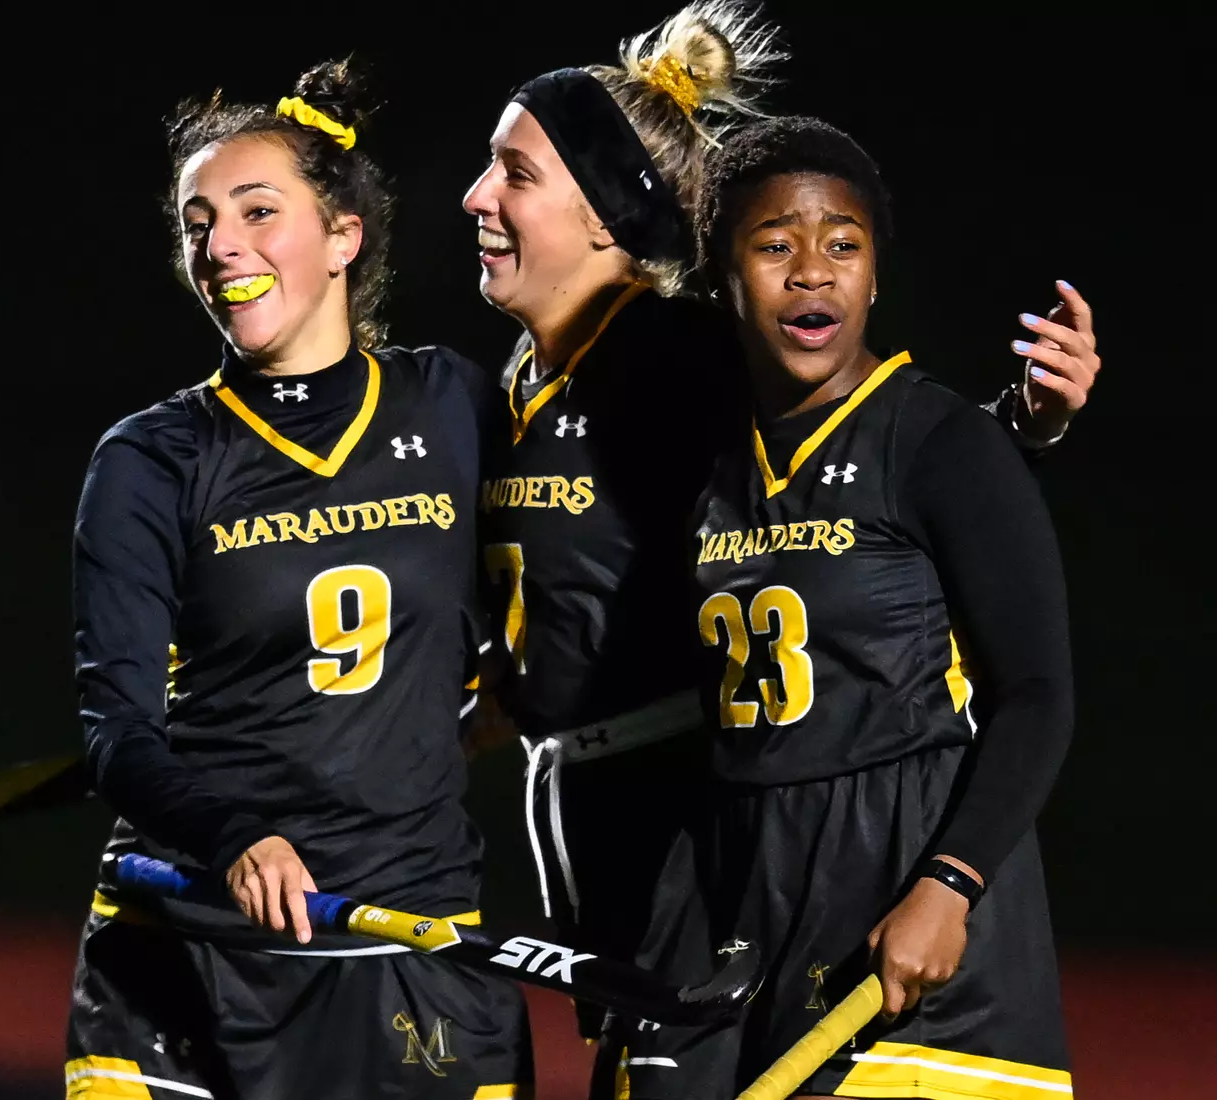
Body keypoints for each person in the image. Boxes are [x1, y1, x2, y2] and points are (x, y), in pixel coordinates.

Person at [459, 3, 1097, 1096]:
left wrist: (1020, 425)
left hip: (741, 823)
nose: (809, 273)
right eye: (774, 248)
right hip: (709, 854)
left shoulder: (675, 362)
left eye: (513, 173)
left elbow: (897, 457)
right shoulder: (523, 388)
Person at [64, 59, 530, 1100]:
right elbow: (119, 735)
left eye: (257, 210)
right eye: (198, 222)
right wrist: (234, 835)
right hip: (186, 951)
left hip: (408, 942)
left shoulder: (453, 405)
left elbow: (574, 563)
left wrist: (514, 685)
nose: (220, 244)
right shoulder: (152, 459)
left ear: (344, 238)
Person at [623, 115, 1088, 1100]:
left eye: (843, 243)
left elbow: (1039, 693)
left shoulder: (941, 440)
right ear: (724, 277)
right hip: (733, 885)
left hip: (900, 876)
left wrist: (950, 881)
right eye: (774, 244)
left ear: (874, 273)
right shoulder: (704, 454)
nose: (811, 271)